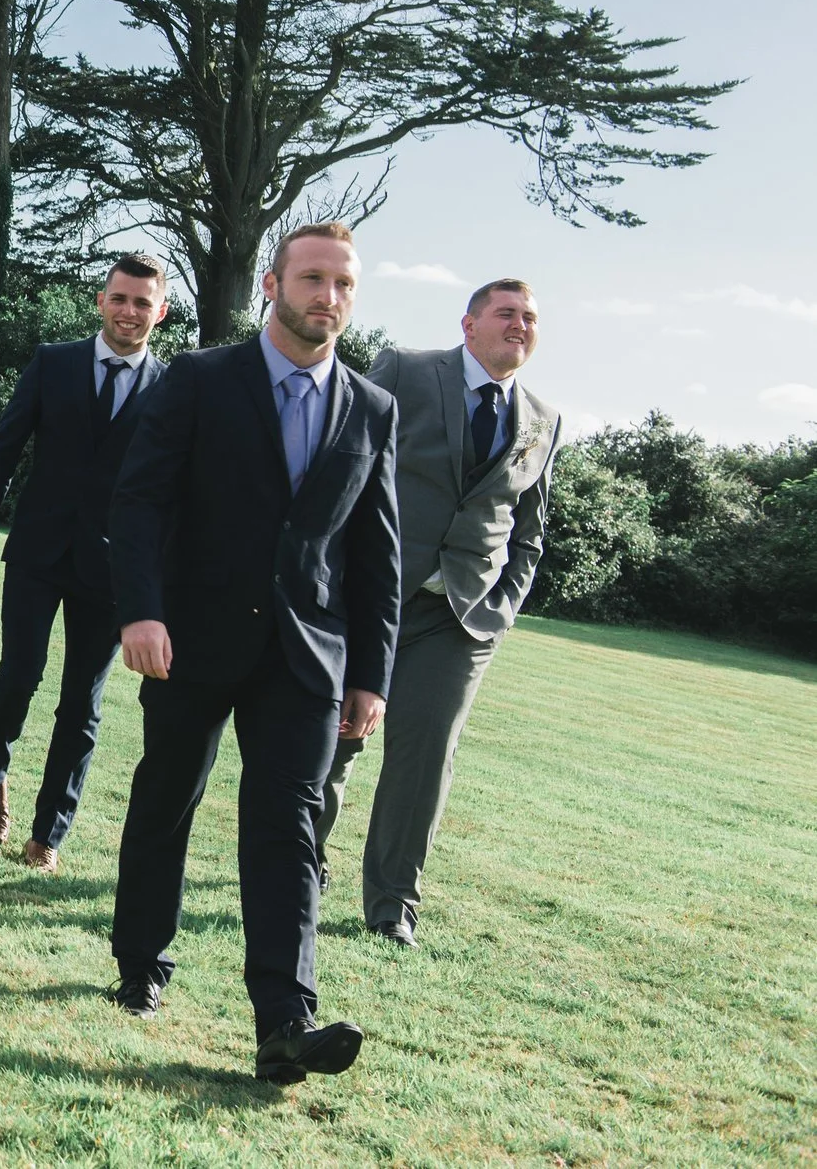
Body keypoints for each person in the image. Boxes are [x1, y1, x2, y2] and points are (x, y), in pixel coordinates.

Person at [104, 221, 401, 1086]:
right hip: (189, 636)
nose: (329, 297)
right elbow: (140, 502)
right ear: (273, 284)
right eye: (313, 278)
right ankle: (142, 965)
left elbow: (379, 555)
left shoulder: (373, 409)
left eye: (344, 283)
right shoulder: (200, 379)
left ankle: (285, 1020)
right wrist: (141, 613)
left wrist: (372, 674)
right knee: (168, 797)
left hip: (307, 657)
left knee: (287, 828)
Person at [317, 279, 562, 947]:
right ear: (470, 323)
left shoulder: (545, 418)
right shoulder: (405, 369)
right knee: (336, 740)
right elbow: (348, 463)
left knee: (424, 761)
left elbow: (530, 531)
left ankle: (392, 905)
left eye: (531, 317)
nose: (520, 324)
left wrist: (501, 607)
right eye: (506, 312)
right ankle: (305, 859)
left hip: (460, 618)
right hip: (372, 597)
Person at [0, 254, 172, 873]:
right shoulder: (52, 363)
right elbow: (2, 449)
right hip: (36, 551)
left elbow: (177, 487)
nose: (129, 312)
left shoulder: (172, 387)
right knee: (19, 675)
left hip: (115, 572)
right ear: (100, 301)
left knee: (82, 701)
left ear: (159, 312)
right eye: (119, 298)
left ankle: (48, 832)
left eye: (142, 303)